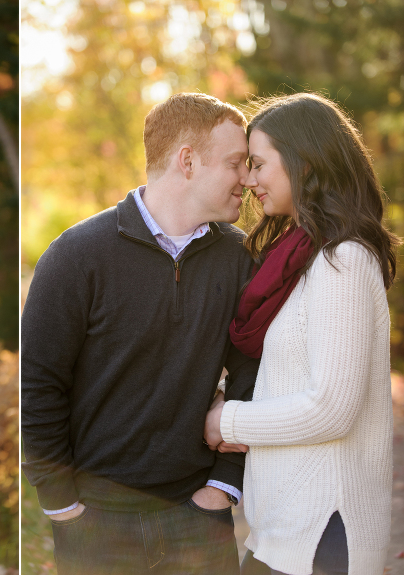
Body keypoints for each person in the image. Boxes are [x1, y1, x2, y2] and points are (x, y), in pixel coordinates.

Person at [21, 93, 260, 574]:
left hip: (198, 517)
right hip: (97, 525)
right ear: (187, 161)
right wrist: (62, 505)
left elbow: (254, 374)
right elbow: (38, 385)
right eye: (237, 163)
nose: (248, 180)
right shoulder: (77, 255)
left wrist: (223, 487)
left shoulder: (238, 259)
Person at [204, 93, 398, 575]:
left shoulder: (344, 261)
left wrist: (225, 422)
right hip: (286, 530)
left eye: (258, 164)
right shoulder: (301, 259)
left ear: (304, 164)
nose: (248, 180)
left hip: (325, 532)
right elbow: (287, 376)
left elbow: (332, 408)